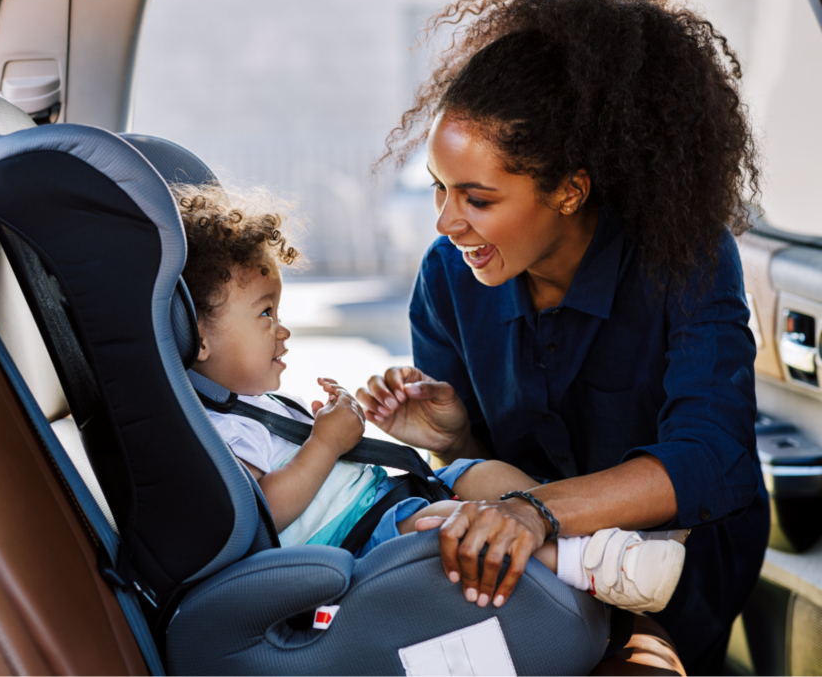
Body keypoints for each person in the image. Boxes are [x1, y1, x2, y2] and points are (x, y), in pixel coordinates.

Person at [356, 0, 769, 675]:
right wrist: (455, 439)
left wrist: (535, 510)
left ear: (571, 190)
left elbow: (713, 457)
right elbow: (483, 482)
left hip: (671, 579)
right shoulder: (448, 279)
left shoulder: (685, 256)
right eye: (438, 188)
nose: (445, 223)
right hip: (530, 579)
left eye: (476, 198)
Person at [176, 182, 685, 614]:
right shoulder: (212, 431)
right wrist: (325, 445)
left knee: (480, 473)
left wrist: (331, 427)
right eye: (266, 314)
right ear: (197, 336)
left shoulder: (255, 408)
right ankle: (592, 568)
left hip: (388, 501)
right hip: (355, 543)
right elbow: (262, 512)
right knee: (445, 524)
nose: (282, 331)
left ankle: (596, 539)